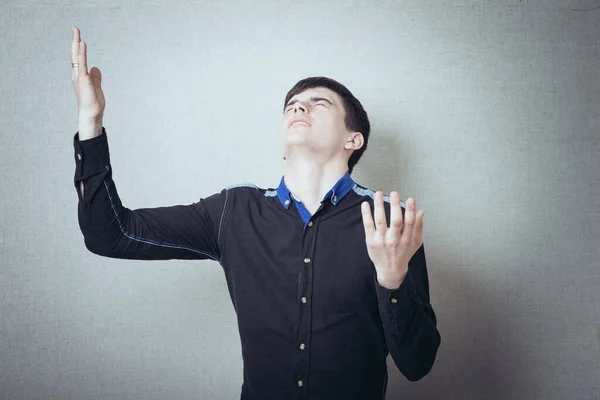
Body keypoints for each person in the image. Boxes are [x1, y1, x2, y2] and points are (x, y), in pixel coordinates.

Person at [70, 26, 441, 400]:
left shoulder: (390, 221)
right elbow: (110, 233)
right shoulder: (234, 210)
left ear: (353, 139)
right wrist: (90, 123)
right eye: (292, 105)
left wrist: (393, 279)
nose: (299, 106)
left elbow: (418, 363)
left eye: (319, 103)